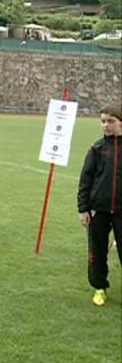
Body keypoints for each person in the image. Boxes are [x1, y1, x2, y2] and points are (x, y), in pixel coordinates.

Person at [78, 104, 122, 307]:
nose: (106, 125)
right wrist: (83, 209)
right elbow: (85, 181)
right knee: (97, 250)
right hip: (99, 210)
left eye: (110, 121)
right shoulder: (96, 149)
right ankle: (99, 287)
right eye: (103, 121)